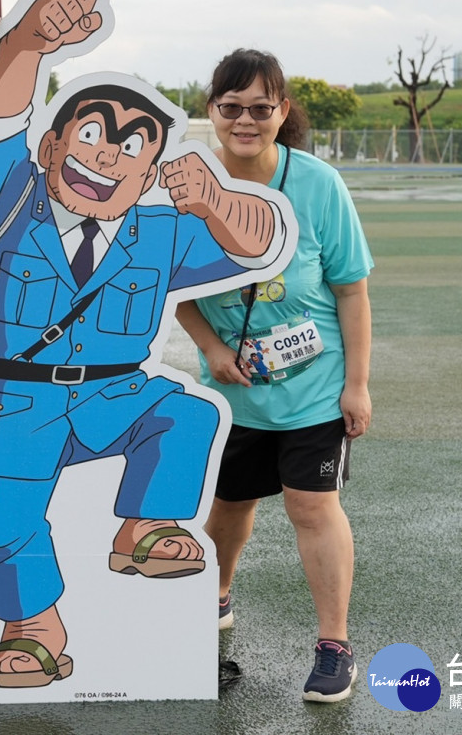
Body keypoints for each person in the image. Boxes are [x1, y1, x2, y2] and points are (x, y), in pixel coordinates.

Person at [0, 0, 294, 688]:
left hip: (113, 397)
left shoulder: (158, 231)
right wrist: (30, 40)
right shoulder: (7, 198)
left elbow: (264, 239)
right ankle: (34, 628)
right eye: (93, 134)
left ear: (149, 176)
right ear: (50, 147)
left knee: (184, 414)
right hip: (12, 402)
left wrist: (219, 200)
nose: (108, 155)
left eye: (133, 147)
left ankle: (146, 528)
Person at [175, 48, 373, 703]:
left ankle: (334, 643)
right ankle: (217, 595)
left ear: (282, 111)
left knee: (312, 506)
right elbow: (177, 293)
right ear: (212, 111)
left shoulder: (318, 184)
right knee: (229, 504)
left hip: (315, 389)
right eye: (231, 107)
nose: (245, 120)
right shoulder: (188, 188)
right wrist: (211, 348)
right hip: (233, 390)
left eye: (261, 108)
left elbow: (351, 289)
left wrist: (357, 384)